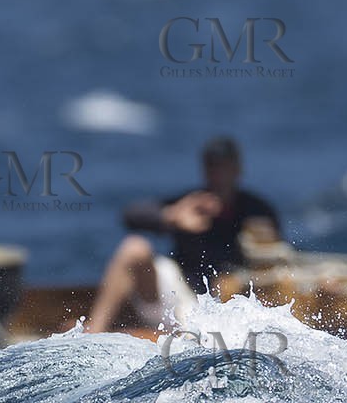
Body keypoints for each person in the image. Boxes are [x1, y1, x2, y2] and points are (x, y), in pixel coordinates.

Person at [86, 136, 281, 333]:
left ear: (237, 169)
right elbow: (131, 216)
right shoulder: (191, 203)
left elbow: (274, 259)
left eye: (224, 166)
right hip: (181, 290)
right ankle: (93, 333)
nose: (218, 174)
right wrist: (172, 217)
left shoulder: (258, 211)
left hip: (230, 302)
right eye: (212, 166)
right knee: (134, 247)